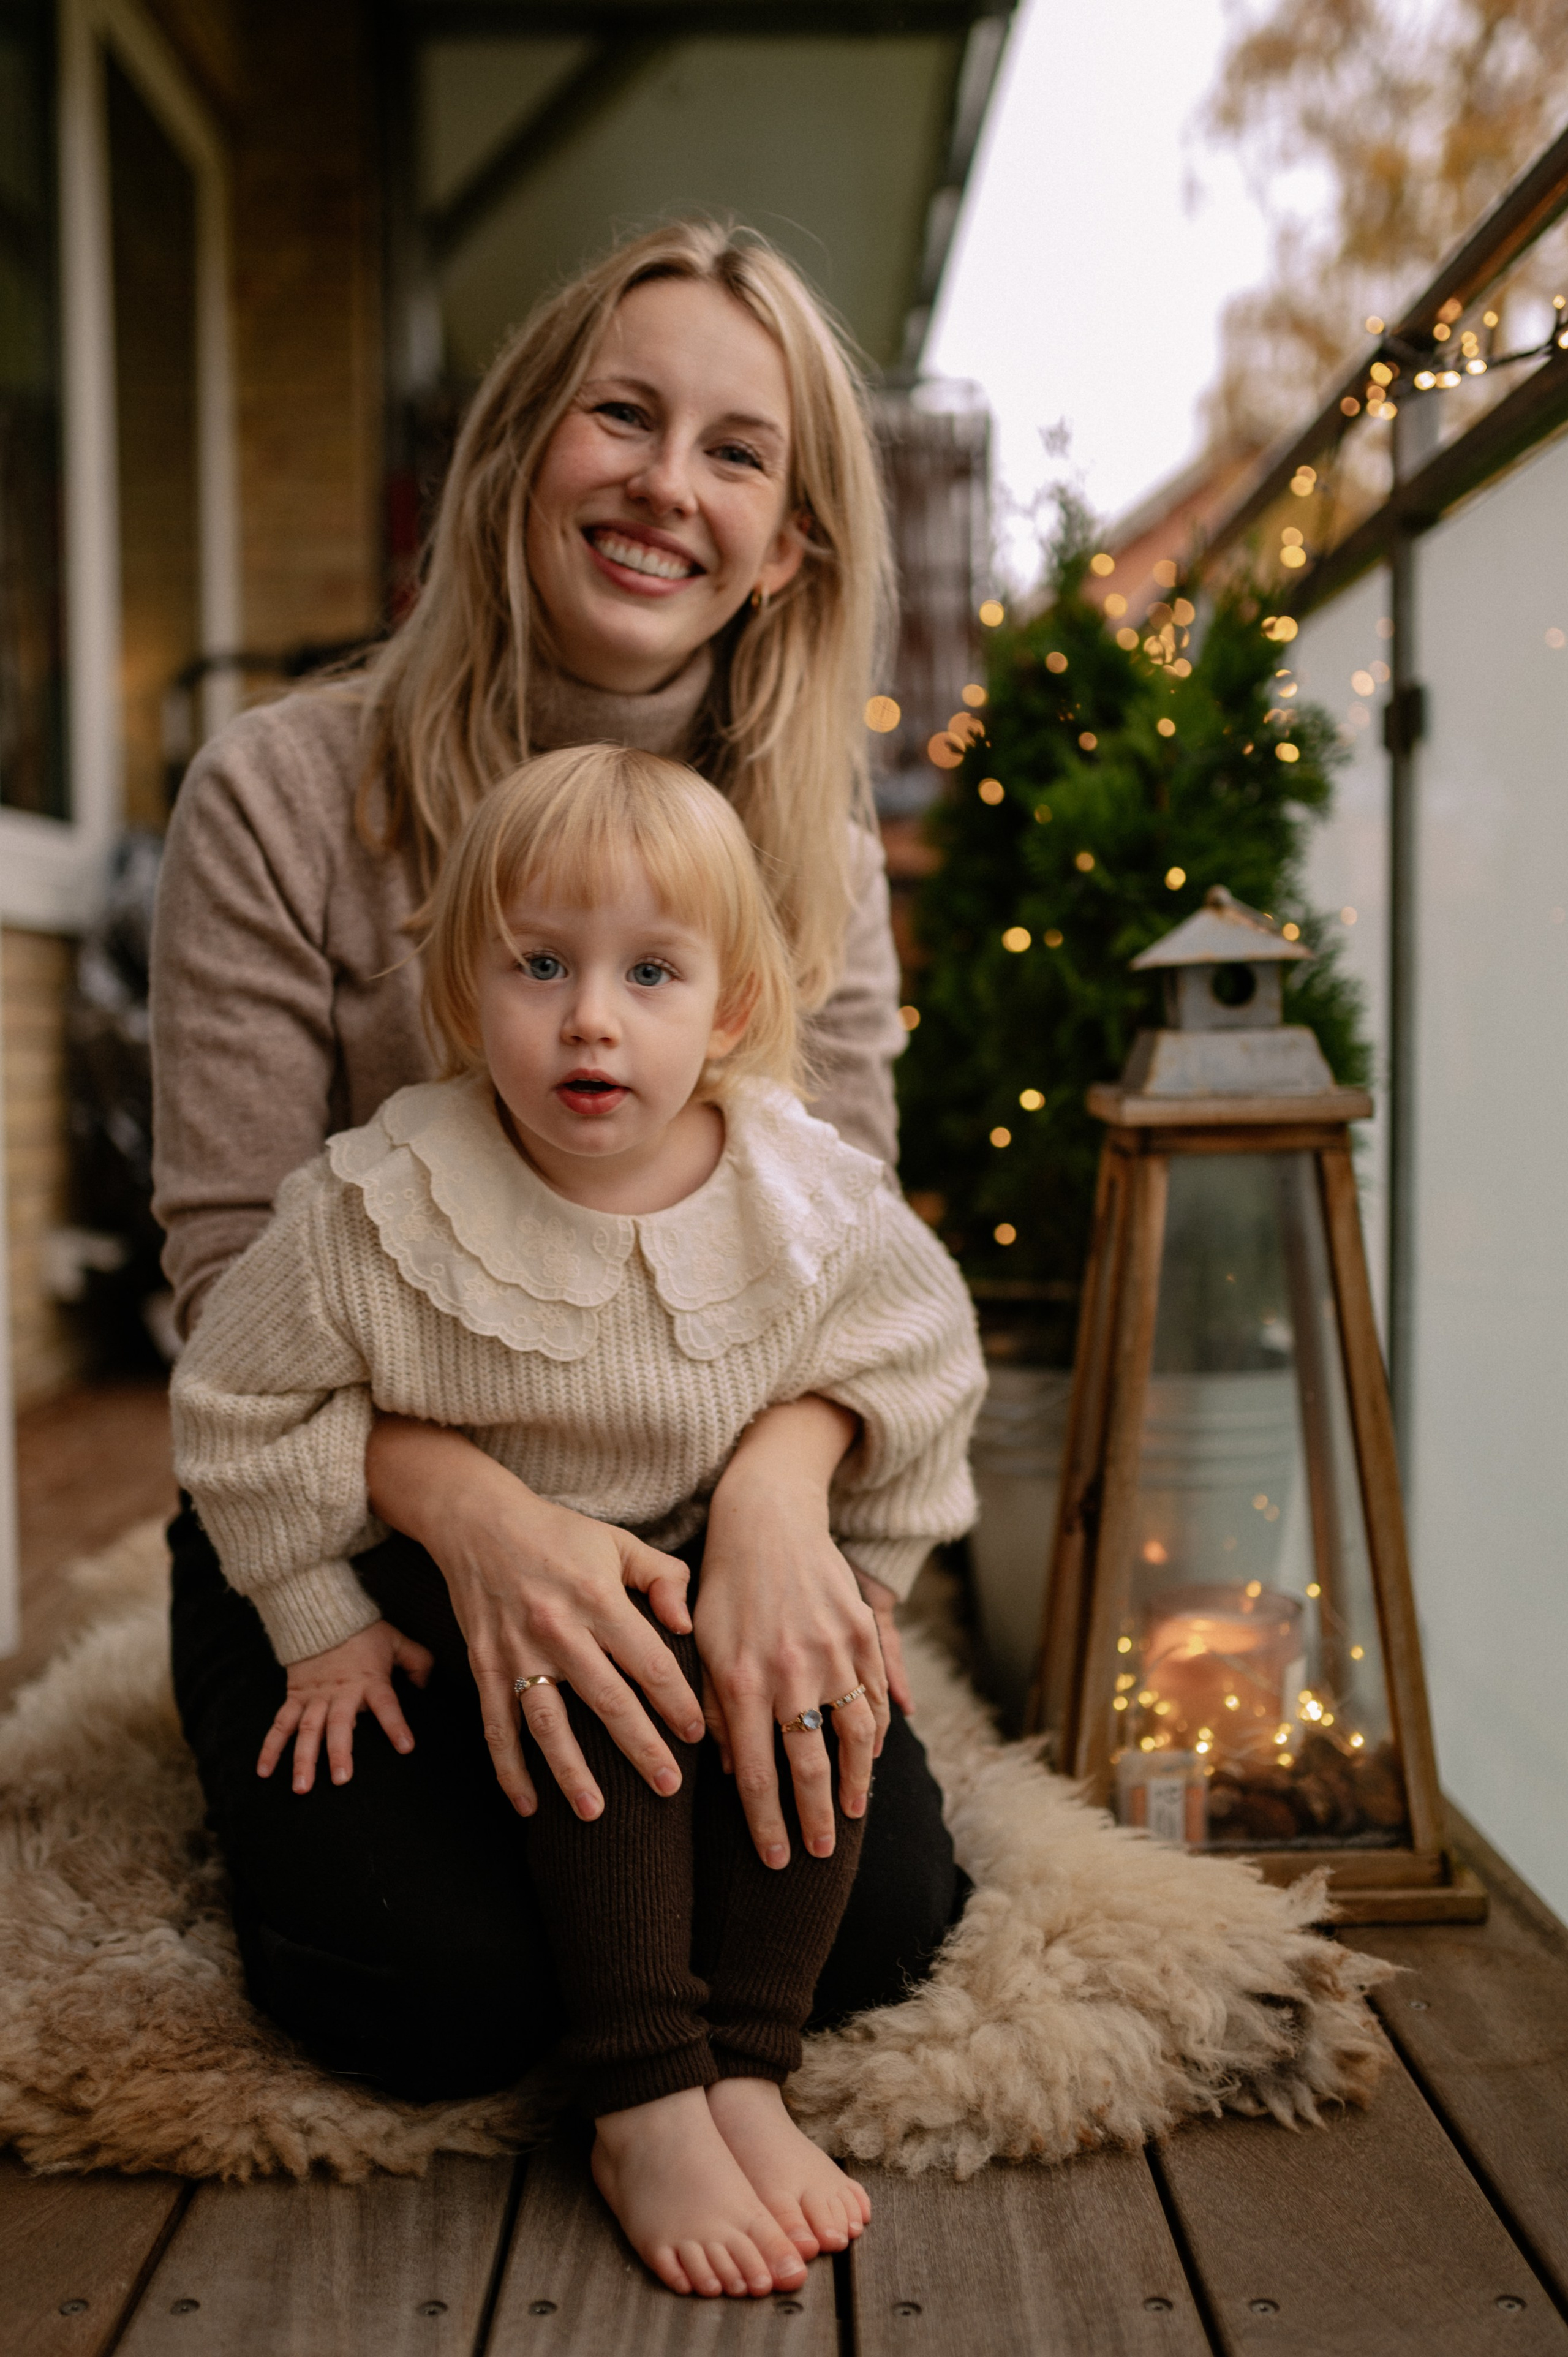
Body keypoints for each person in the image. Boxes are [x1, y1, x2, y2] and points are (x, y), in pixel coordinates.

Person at [152, 220, 970, 2114]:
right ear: (523, 449)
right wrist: (479, 1522)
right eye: (623, 416)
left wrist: (778, 1503)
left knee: (870, 1928)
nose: (667, 485)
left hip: (692, 1479)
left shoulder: (815, 847)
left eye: (736, 452)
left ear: (791, 544)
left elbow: (848, 1254)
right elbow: (228, 1293)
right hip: (352, 1492)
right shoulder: (283, 793)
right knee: (438, 1990)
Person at [172, 749, 984, 2298]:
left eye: (649, 972)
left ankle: (747, 2064)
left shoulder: (805, 1196)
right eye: (538, 965)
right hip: (453, 1564)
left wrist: (853, 1574)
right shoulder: (375, 1207)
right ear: (463, 992)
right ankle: (644, 2087)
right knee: (592, 1688)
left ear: (729, 1012)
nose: (590, 1017)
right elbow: (232, 1401)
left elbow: (922, 1363)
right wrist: (318, 1622)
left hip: (706, 1541)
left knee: (815, 1718)